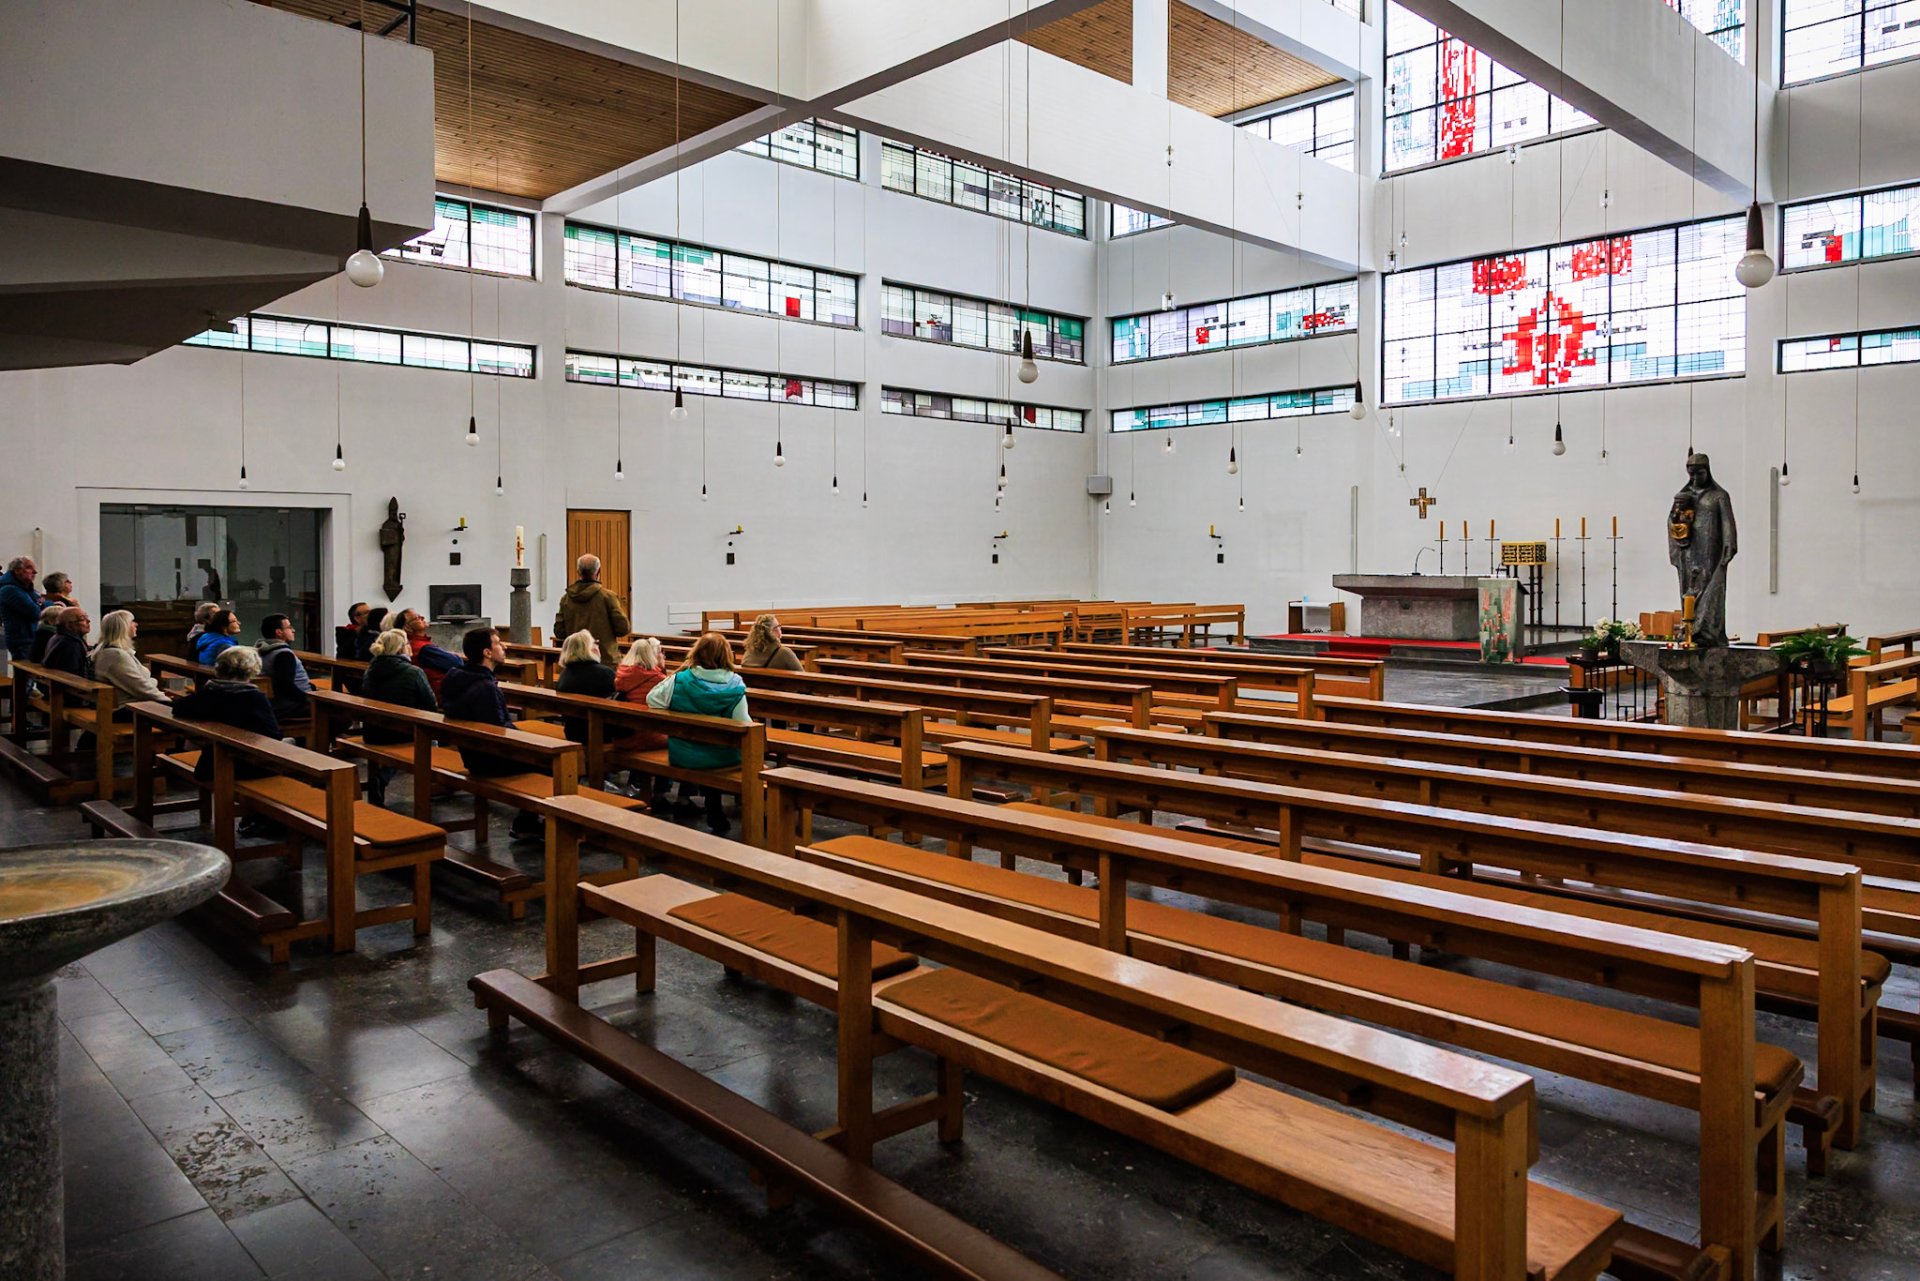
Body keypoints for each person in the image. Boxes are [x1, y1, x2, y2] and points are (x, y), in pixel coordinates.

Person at [439, 626, 543, 839]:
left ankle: (529, 821)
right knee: (554, 762)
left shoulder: (457, 677)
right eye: (497, 643)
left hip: (470, 752)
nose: (503, 646)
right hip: (489, 760)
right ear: (487, 653)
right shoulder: (485, 687)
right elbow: (499, 732)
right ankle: (533, 823)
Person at [646, 632, 748, 835]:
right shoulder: (735, 684)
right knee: (717, 752)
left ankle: (713, 810)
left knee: (704, 751)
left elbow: (652, 700)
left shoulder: (680, 679)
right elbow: (744, 724)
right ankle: (718, 811)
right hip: (721, 757)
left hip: (683, 753)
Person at [174, 646, 281, 783]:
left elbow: (178, 707)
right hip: (247, 766)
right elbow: (274, 735)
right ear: (251, 670)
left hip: (209, 765)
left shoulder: (210, 693)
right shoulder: (253, 698)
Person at [1667, 452, 1739, 648]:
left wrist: (1729, 545)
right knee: (1689, 589)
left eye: (1699, 473)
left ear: (1707, 472)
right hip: (1689, 551)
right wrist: (1676, 518)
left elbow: (1727, 523)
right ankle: (1690, 630)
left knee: (1711, 589)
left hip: (1711, 553)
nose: (1694, 478)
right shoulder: (1684, 496)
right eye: (1691, 473)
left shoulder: (1719, 496)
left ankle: (1708, 632)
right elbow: (1672, 520)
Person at [359, 628, 437, 804]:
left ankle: (382, 776)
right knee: (431, 738)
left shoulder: (370, 670)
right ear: (402, 648)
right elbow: (430, 706)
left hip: (373, 732)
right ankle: (433, 786)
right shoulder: (413, 672)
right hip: (405, 733)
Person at [612, 636, 671, 799]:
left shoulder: (620, 676)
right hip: (646, 737)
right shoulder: (657, 679)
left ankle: (636, 782)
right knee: (676, 740)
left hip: (623, 735)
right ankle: (661, 793)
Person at [553, 554, 628, 664]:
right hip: (605, 660)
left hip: (574, 660)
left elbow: (559, 631)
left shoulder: (566, 599)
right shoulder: (607, 597)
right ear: (598, 572)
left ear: (578, 572)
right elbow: (623, 628)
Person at [90, 610, 170, 708]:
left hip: (138, 704)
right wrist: (169, 702)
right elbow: (141, 688)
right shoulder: (116, 656)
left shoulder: (113, 652)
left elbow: (139, 685)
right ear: (123, 628)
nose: (136, 624)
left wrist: (151, 682)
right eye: (132, 622)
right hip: (130, 707)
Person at [554, 630, 615, 744]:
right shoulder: (604, 673)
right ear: (588, 649)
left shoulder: (564, 674)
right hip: (601, 733)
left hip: (572, 732)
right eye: (594, 643)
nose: (597, 646)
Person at [256, 614, 315, 723]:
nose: (293, 630)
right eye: (289, 627)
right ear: (279, 632)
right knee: (339, 714)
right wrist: (309, 699)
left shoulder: (262, 650)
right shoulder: (283, 654)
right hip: (289, 707)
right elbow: (286, 687)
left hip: (275, 704)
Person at [396, 609, 460, 700]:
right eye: (417, 618)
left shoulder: (410, 643)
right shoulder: (423, 648)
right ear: (407, 627)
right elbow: (457, 662)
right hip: (440, 695)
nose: (422, 618)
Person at [0, 556, 40, 671]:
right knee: (25, 678)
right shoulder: (9, 590)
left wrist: (41, 604)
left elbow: (42, 603)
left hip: (30, 637)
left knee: (31, 677)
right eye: (29, 568)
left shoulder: (25, 589)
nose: (35, 572)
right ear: (17, 570)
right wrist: (41, 604)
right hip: (22, 640)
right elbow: (35, 612)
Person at [41, 607, 93, 679]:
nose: (88, 621)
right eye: (82, 619)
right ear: (69, 625)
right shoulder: (71, 644)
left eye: (86, 617)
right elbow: (73, 673)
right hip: (68, 686)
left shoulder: (59, 636)